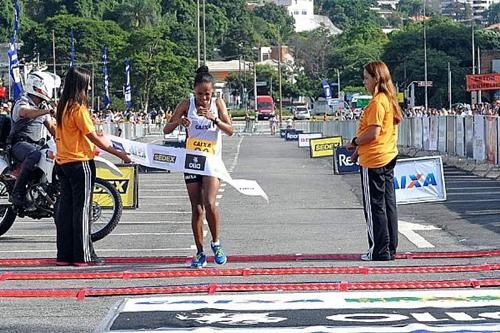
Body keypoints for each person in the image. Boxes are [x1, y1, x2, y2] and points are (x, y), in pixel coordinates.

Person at [54, 67, 131, 266]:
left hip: (63, 162)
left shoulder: (63, 107)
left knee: (66, 209)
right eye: (86, 85)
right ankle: (83, 255)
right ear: (80, 86)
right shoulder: (78, 109)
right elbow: (94, 138)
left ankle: (64, 254)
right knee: (83, 209)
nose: (88, 89)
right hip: (80, 163)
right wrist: (119, 153)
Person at [163, 65, 234, 268]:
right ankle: (200, 252)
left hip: (211, 162)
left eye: (207, 94)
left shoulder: (218, 104)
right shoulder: (187, 103)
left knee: (210, 203)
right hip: (193, 161)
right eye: (201, 94)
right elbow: (166, 129)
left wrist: (215, 119)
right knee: (197, 207)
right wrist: (180, 122)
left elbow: (230, 131)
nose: (204, 98)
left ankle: (216, 243)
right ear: (194, 91)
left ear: (213, 93)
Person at [346, 60, 402, 262]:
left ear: (376, 79)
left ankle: (379, 249)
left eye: (366, 78)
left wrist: (354, 142)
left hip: (375, 160)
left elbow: (373, 132)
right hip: (386, 155)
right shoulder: (388, 99)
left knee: (375, 206)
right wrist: (357, 152)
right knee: (388, 204)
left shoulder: (378, 101)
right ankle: (389, 248)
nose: (364, 82)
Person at [8, 71, 61, 208]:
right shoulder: (23, 100)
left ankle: (46, 190)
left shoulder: (43, 106)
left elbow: (52, 128)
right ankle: (17, 192)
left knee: (53, 154)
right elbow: (25, 113)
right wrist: (47, 111)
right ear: (38, 85)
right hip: (19, 143)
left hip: (37, 144)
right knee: (34, 154)